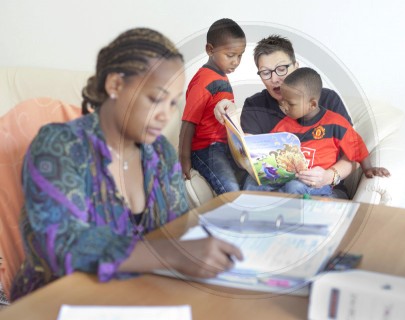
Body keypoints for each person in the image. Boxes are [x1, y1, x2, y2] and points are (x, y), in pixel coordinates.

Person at [10, 27, 242, 301]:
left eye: (172, 103)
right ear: (115, 85)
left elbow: (177, 231)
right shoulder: (58, 146)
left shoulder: (161, 155)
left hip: (139, 298)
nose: (165, 115)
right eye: (155, 99)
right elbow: (61, 246)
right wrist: (170, 254)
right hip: (57, 303)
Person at [215, 35, 356, 196]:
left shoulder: (326, 99)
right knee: (251, 185)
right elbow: (247, 158)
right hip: (273, 188)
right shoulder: (255, 106)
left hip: (323, 189)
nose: (275, 79)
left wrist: (329, 176)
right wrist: (231, 117)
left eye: (281, 69)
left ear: (296, 66)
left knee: (296, 190)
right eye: (265, 73)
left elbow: (354, 156)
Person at [245, 67, 390, 196]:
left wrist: (369, 169)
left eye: (291, 103)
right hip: (289, 178)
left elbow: (357, 145)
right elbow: (271, 150)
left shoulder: (335, 123)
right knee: (252, 180)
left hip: (318, 184)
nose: (284, 106)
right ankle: (249, 212)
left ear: (312, 104)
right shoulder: (284, 125)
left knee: (294, 187)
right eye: (283, 101)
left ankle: (276, 209)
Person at [179, 18, 247, 195]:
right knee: (230, 189)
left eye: (240, 55)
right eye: (231, 55)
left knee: (253, 177)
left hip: (225, 145)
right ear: (210, 50)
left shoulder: (221, 76)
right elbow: (188, 122)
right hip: (206, 149)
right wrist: (184, 160)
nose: (236, 61)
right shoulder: (204, 80)